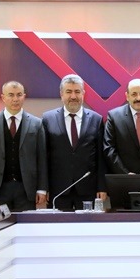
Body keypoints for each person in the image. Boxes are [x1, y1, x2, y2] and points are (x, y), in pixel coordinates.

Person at [42, 74, 107, 211]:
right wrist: (43, 187)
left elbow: (101, 157)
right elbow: (43, 157)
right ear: (61, 94)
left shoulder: (96, 119)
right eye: (68, 92)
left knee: (87, 225)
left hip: (88, 188)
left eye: (77, 91)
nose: (73, 96)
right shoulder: (48, 119)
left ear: (83, 94)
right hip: (58, 189)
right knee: (58, 225)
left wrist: (102, 187)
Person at [0, 81, 48, 212]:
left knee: (26, 224)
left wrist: (42, 188)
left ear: (24, 96)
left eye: (19, 95)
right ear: (3, 97)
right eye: (11, 95)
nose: (15, 99)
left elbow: (42, 158)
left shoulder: (36, 123)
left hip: (26, 188)